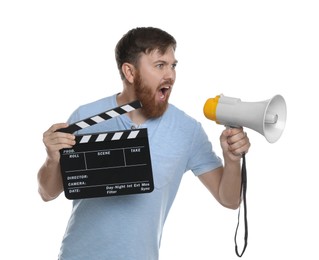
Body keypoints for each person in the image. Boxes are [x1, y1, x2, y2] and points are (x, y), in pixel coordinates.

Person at [37, 27, 250, 260]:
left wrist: (232, 161)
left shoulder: (187, 130)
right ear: (130, 72)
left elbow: (229, 199)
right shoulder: (85, 117)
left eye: (173, 65)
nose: (170, 74)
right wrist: (52, 158)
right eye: (160, 65)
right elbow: (48, 193)